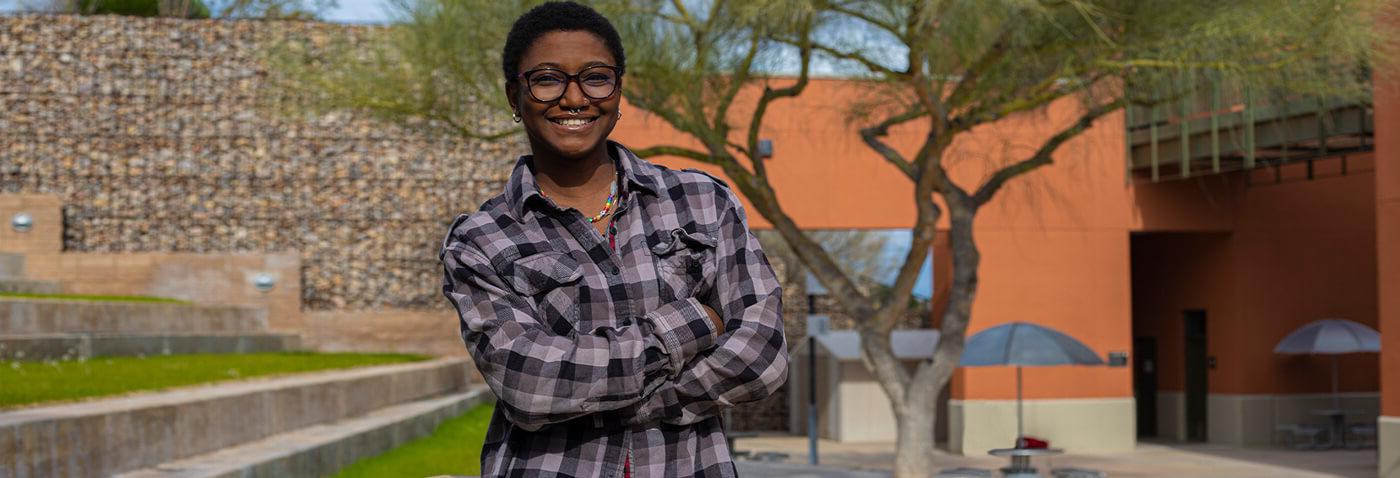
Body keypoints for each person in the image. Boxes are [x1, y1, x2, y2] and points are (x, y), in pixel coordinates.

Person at [438, 2, 788, 476]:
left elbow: (762, 351)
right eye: (546, 79)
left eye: (595, 77)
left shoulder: (702, 202)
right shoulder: (481, 239)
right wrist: (692, 322)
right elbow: (530, 381)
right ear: (513, 96)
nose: (574, 98)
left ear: (618, 90)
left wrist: (639, 402)